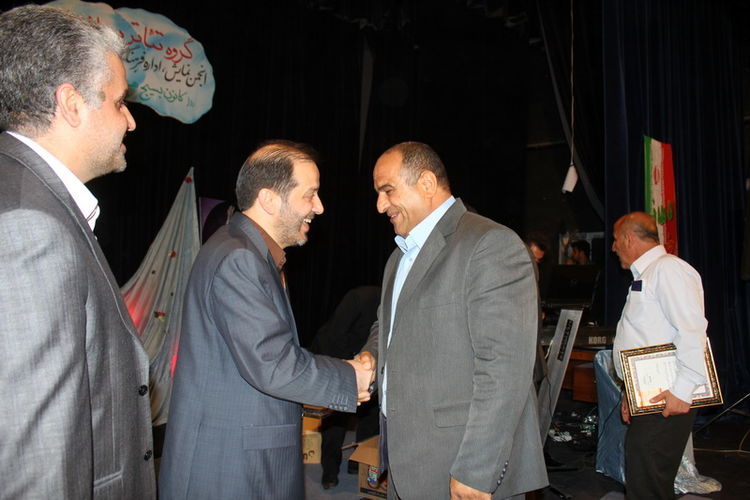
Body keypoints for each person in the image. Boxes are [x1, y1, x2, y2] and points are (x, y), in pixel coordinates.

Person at [158, 141, 373, 499]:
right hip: (229, 466)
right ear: (269, 199)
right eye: (310, 195)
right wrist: (352, 377)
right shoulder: (239, 258)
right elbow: (272, 363)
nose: (319, 207)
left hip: (239, 454)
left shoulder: (243, 249)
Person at [0, 6, 156, 498]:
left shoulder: (27, 196)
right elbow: (38, 462)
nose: (130, 121)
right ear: (71, 103)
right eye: (120, 102)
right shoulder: (28, 227)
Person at [357, 142, 547, 499]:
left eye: (388, 190)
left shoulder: (490, 244)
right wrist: (371, 356)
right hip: (405, 457)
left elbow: (505, 369)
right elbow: (387, 326)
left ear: (427, 183)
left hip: (460, 463)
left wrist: (476, 469)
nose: (380, 205)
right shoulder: (399, 257)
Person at [611, 211, 707, 499]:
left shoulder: (668, 270)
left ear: (628, 238)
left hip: (667, 397)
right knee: (645, 478)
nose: (613, 247)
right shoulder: (651, 274)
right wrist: (632, 393)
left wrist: (682, 390)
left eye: (616, 240)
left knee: (648, 484)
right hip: (651, 397)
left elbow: (691, 330)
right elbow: (648, 337)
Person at [309, 285, 382, 489]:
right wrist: (350, 373)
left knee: (371, 416)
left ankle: (357, 463)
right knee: (337, 419)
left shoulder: (391, 302)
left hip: (366, 363)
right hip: (336, 357)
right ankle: (330, 471)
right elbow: (335, 335)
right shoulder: (359, 297)